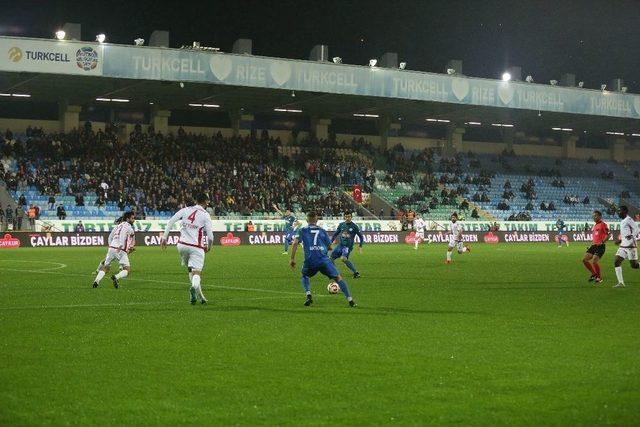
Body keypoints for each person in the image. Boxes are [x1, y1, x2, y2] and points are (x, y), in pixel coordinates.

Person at [289, 211, 356, 307]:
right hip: (323, 260)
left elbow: (295, 243)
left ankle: (308, 295)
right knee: (338, 278)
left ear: (307, 220)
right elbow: (330, 247)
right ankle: (350, 300)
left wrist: (292, 259)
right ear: (317, 220)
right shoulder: (322, 231)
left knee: (305, 276)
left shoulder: (302, 230)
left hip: (310, 260)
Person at [161, 193, 214, 304]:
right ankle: (194, 288)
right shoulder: (205, 215)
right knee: (197, 273)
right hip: (196, 247)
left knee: (191, 270)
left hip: (182, 246)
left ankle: (200, 297)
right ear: (205, 202)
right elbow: (210, 237)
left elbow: (171, 221)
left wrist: (164, 237)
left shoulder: (185, 210)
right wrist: (209, 247)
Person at [92, 211, 136, 289]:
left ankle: (96, 280)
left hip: (112, 248)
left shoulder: (117, 226)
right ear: (127, 219)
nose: (134, 220)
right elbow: (126, 235)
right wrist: (123, 245)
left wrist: (111, 245)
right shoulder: (129, 227)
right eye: (132, 218)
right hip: (120, 250)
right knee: (127, 270)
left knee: (106, 267)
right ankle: (116, 277)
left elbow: (110, 237)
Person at [330, 212, 364, 278]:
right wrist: (330, 243)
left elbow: (361, 236)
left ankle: (356, 273)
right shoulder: (341, 225)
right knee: (330, 259)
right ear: (344, 217)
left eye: (349, 217)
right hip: (340, 245)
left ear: (351, 217)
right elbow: (335, 234)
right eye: (346, 217)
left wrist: (360, 246)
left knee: (343, 258)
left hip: (347, 247)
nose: (347, 218)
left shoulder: (354, 226)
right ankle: (335, 273)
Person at [613, 206, 639, 288]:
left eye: (619, 211)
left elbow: (637, 229)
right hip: (623, 245)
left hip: (631, 245)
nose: (618, 212)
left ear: (625, 211)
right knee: (617, 261)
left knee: (634, 266)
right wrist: (620, 240)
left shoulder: (629, 219)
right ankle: (621, 283)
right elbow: (625, 234)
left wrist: (631, 235)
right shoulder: (622, 221)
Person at [582, 210, 610, 284]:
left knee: (594, 261)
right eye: (593, 216)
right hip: (594, 246)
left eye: (595, 216)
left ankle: (599, 277)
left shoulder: (603, 224)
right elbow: (596, 236)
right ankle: (594, 274)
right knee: (585, 260)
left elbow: (608, 235)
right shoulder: (595, 226)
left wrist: (602, 242)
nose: (594, 217)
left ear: (600, 216)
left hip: (600, 246)